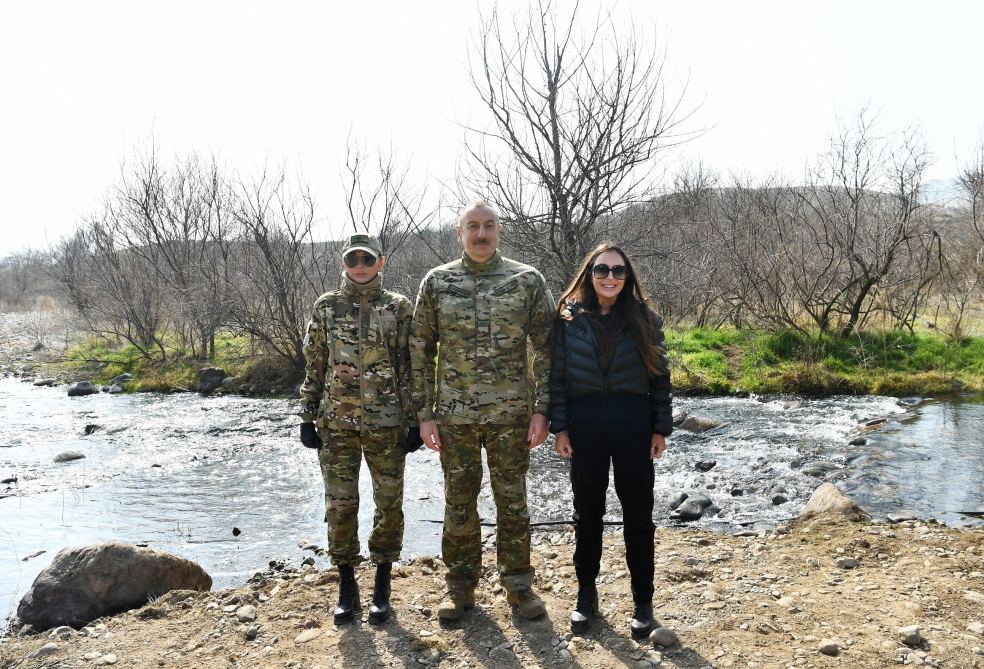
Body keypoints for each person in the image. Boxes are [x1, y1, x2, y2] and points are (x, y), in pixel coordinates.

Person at [410, 200, 555, 621]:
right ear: (459, 233)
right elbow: (420, 352)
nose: (481, 234)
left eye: (488, 225)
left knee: (513, 502)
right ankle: (459, 588)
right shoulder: (438, 283)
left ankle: (519, 587)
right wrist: (425, 414)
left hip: (512, 417)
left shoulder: (526, 280)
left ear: (499, 230)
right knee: (459, 503)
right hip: (454, 417)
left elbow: (547, 348)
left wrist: (542, 409)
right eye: (472, 226)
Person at [548, 242, 673, 638]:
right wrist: (560, 428)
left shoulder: (645, 318)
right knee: (587, 516)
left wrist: (660, 428)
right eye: (602, 270)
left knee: (639, 518)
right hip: (586, 428)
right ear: (590, 273)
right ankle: (586, 595)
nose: (610, 278)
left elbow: (660, 378)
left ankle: (643, 602)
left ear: (628, 277)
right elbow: (557, 378)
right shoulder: (568, 318)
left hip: (633, 427)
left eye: (619, 271)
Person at [298, 233, 422, 625]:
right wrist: (306, 416)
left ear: (380, 262)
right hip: (336, 423)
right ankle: (347, 584)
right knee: (340, 504)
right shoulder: (327, 307)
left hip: (388, 423)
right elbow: (314, 362)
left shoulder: (398, 307)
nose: (360, 266)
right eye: (353, 260)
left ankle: (383, 582)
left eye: (367, 259)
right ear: (344, 265)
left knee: (389, 504)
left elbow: (411, 364)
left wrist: (416, 419)